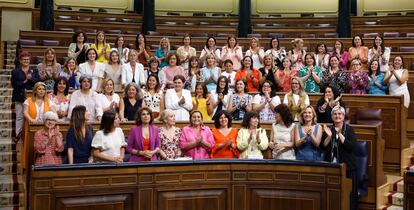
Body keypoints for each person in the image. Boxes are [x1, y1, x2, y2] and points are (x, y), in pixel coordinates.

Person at [321, 105, 358, 210]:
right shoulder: (329, 129)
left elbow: (351, 147)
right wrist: (328, 137)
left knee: (349, 195)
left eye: (339, 114)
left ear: (343, 116)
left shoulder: (349, 129)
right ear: (332, 116)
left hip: (348, 168)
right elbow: (323, 146)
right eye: (335, 114)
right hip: (331, 166)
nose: (337, 116)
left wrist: (339, 134)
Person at [11, 51, 39, 141]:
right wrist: (25, 80)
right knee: (19, 116)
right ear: (20, 60)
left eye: (27, 59)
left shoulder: (34, 70)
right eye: (24, 59)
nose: (26, 61)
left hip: (31, 98)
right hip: (19, 97)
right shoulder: (15, 71)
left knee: (31, 115)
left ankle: (30, 134)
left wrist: (31, 79)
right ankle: (18, 134)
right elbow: (14, 85)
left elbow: (37, 82)